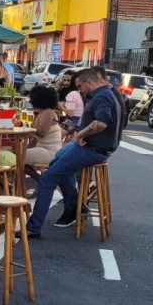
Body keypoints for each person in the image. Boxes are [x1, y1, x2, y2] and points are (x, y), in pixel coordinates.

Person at [26, 68, 121, 235]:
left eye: (79, 86)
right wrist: (75, 128)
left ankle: (34, 227)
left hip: (93, 148)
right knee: (58, 158)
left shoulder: (102, 96)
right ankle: (75, 204)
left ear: (89, 82)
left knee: (48, 178)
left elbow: (101, 123)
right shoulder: (103, 94)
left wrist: (80, 134)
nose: (78, 90)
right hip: (91, 145)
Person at [24, 85, 63, 174]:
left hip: (50, 152)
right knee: (18, 155)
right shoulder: (40, 114)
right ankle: (40, 179)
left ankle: (40, 180)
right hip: (43, 149)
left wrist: (29, 125)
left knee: (17, 157)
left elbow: (42, 132)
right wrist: (24, 149)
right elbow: (34, 139)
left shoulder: (48, 112)